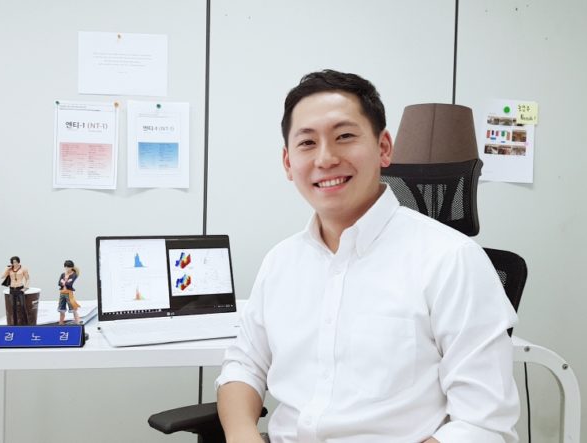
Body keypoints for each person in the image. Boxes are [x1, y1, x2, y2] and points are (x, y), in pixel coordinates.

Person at [215, 70, 519, 443]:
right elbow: (244, 366)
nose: (325, 158)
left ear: (384, 147)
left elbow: (482, 424)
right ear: (287, 162)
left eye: (344, 136)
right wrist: (241, 433)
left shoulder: (451, 260)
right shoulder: (281, 262)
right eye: (307, 143)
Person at [0, 256, 31, 324]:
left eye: (16, 262)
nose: (15, 264)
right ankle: (15, 324)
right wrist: (7, 269)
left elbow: (27, 278)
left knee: (22, 306)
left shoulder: (23, 269)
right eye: (13, 262)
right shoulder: (10, 269)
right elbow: (2, 276)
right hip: (12, 289)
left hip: (20, 289)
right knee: (13, 307)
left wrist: (26, 288)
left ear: (18, 262)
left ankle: (26, 323)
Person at [57, 260, 81, 325]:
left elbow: (69, 284)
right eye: (66, 267)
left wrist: (63, 282)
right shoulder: (63, 274)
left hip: (69, 293)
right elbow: (59, 283)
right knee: (61, 308)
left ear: (72, 267)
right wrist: (65, 282)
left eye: (68, 267)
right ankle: (61, 323)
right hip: (62, 293)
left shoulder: (74, 274)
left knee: (73, 308)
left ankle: (77, 322)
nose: (67, 268)